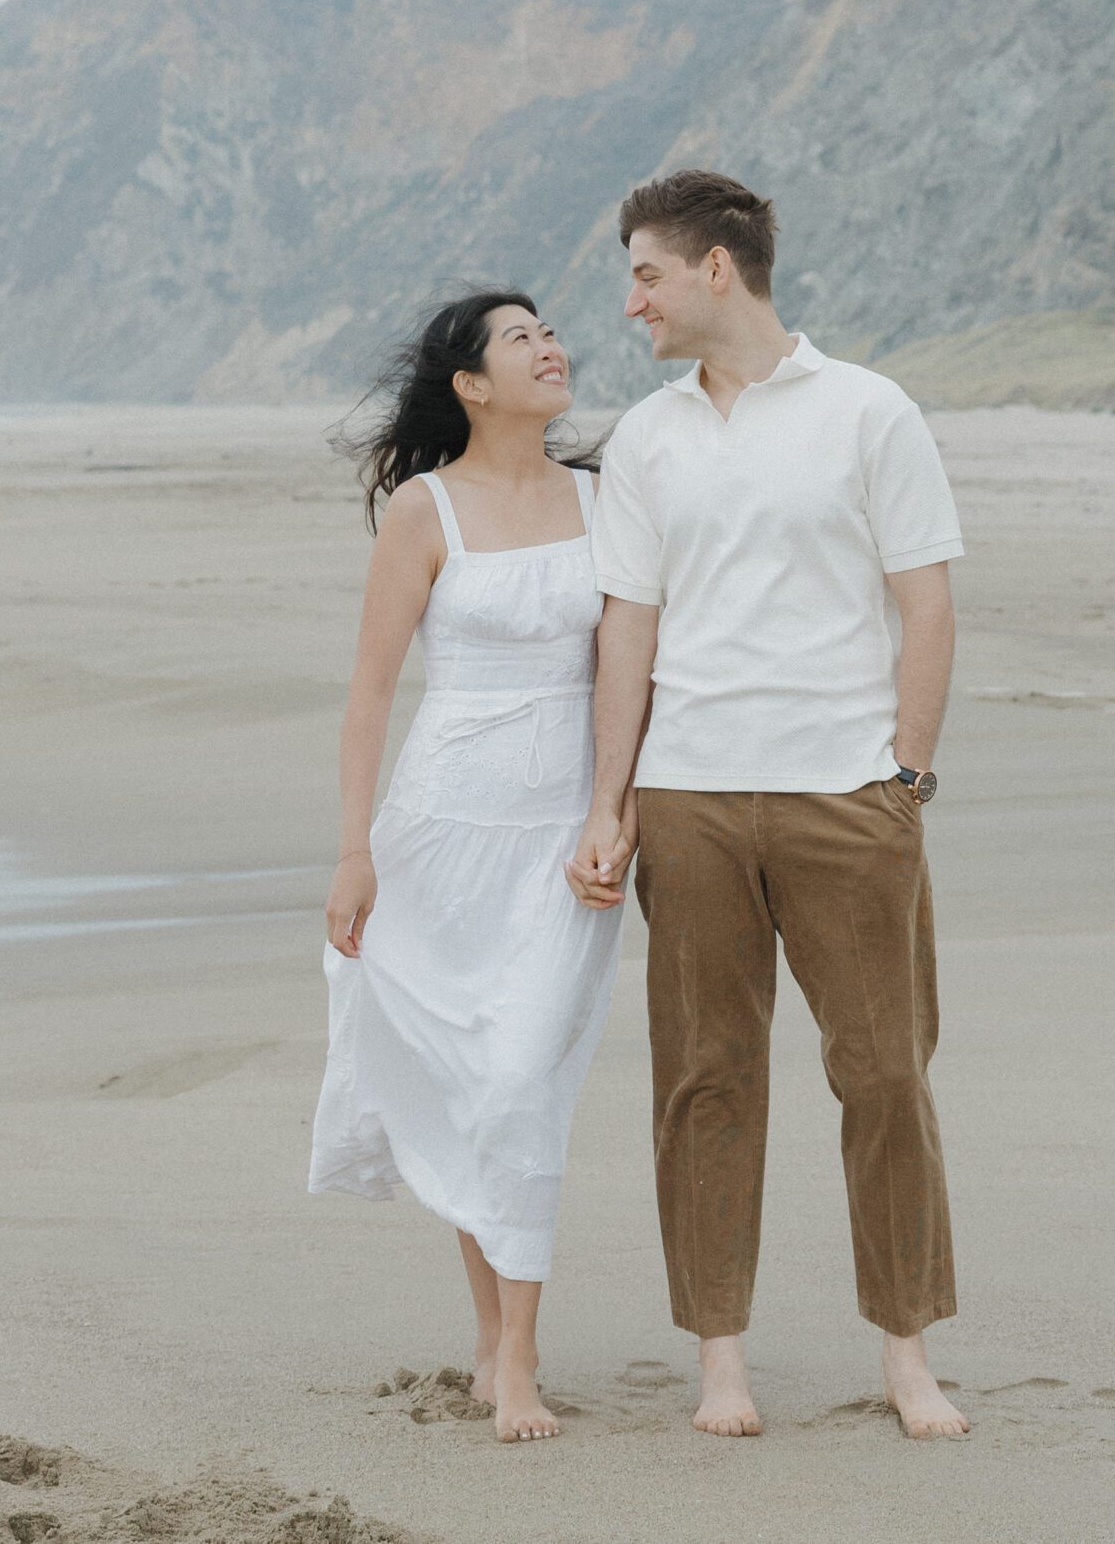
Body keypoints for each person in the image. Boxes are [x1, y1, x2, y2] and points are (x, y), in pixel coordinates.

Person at [567, 170, 971, 1440]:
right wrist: (608, 804)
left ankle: (907, 1357)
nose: (629, 301)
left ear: (714, 271)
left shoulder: (868, 410)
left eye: (644, 273)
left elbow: (927, 602)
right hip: (688, 799)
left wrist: (902, 776)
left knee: (886, 1075)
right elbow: (625, 634)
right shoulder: (646, 436)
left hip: (846, 796)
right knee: (704, 1080)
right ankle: (721, 1364)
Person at [311, 290, 627, 1443]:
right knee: (466, 1083)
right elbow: (370, 692)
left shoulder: (605, 499)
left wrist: (615, 811)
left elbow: (633, 674)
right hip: (439, 834)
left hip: (562, 845)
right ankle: (492, 1338)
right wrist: (354, 851)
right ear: (472, 385)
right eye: (520, 338)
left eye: (551, 330)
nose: (550, 346)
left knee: (516, 1082)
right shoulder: (422, 508)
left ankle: (524, 1358)